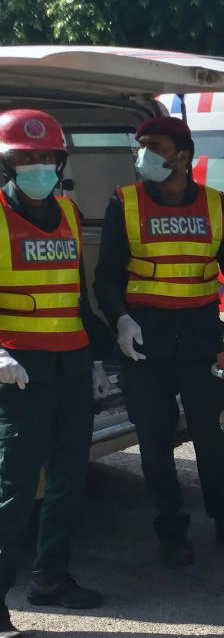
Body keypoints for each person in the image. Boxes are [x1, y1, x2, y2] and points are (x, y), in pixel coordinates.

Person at [93, 116, 224, 567]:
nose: (142, 152)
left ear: (181, 156)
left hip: (199, 340)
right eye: (141, 144)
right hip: (144, 343)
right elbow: (106, 278)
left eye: (152, 145)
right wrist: (121, 319)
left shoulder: (214, 205)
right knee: (155, 441)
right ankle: (172, 533)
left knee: (217, 436)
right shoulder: (124, 203)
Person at [0, 109, 113, 637]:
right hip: (18, 372)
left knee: (69, 479)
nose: (39, 167)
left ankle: (52, 577)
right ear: (8, 164)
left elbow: (76, 297)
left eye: (47, 158)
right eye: (27, 158)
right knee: (13, 488)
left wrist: (92, 356)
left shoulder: (68, 213)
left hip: (69, 366)